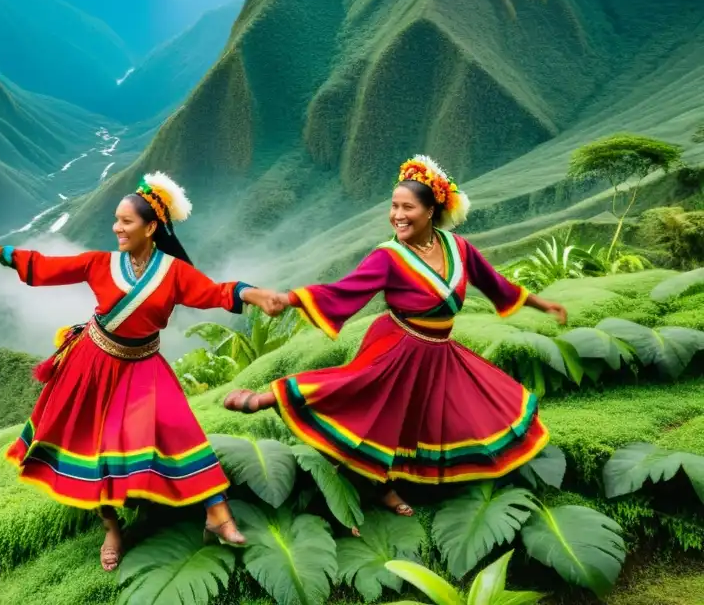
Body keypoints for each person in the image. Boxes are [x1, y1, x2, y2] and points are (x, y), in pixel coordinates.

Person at [0, 171, 281, 571]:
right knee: (96, 446)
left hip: (143, 366)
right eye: (116, 219)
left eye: (126, 221)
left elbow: (217, 292)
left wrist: (256, 294)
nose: (116, 228)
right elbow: (46, 267)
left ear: (151, 227)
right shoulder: (100, 264)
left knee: (180, 430)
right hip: (91, 364)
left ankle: (217, 513)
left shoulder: (174, 273)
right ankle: (111, 526)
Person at [222, 155, 567, 523]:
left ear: (432, 210)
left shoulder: (458, 248)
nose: (397, 215)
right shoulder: (388, 257)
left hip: (440, 351)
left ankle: (413, 478)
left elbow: (495, 284)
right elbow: (343, 290)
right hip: (399, 344)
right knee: (370, 402)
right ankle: (270, 398)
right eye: (394, 206)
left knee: (448, 413)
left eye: (408, 207)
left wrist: (540, 303)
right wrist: (289, 298)